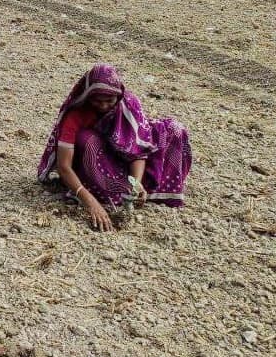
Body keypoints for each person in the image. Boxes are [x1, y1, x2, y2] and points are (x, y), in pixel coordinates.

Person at [37, 64, 192, 232]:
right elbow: (64, 166)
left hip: (125, 157)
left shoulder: (128, 104)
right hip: (99, 162)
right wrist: (90, 201)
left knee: (175, 129)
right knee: (87, 140)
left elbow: (137, 148)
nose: (103, 106)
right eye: (97, 101)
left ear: (118, 97)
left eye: (109, 101)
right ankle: (109, 192)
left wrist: (136, 184)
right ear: (88, 96)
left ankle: (142, 191)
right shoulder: (76, 115)